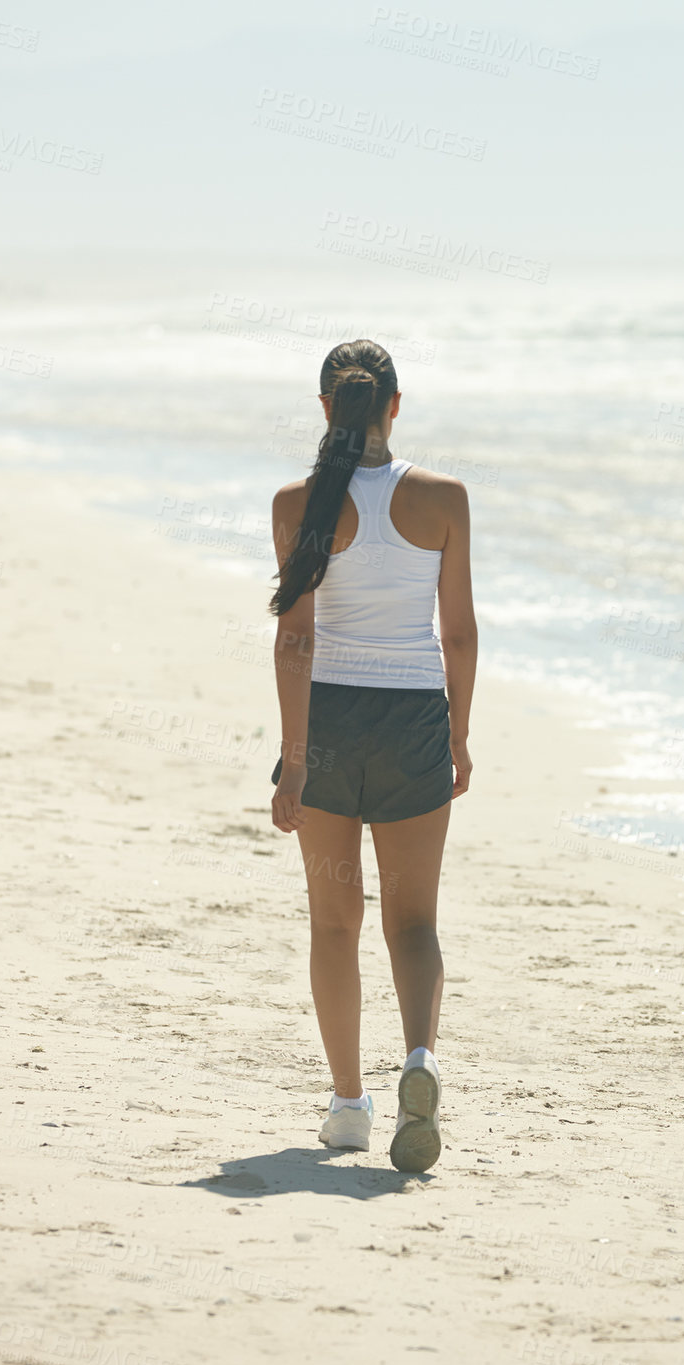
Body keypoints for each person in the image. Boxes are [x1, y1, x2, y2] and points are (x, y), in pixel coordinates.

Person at [267, 339, 476, 1172]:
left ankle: (348, 1106)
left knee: (334, 921)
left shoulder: (296, 502)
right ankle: (418, 1063)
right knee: (414, 921)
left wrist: (294, 760)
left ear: (327, 409)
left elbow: (295, 640)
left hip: (329, 720)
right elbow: (457, 632)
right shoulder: (443, 499)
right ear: (396, 405)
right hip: (414, 717)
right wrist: (457, 734)